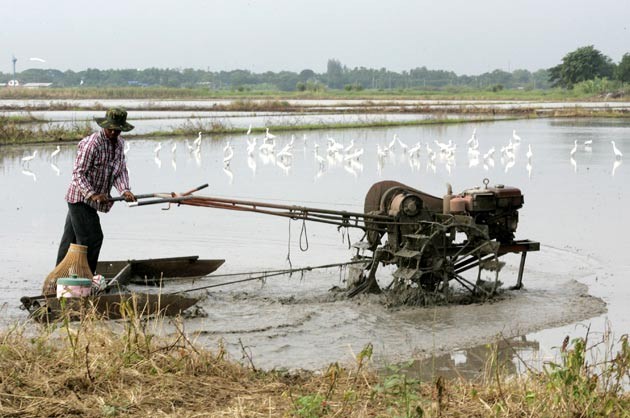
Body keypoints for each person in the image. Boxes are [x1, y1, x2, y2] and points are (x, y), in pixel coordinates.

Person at [55, 107, 137, 274]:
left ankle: (59, 278)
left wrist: (124, 190)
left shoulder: (119, 144)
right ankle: (85, 278)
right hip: (80, 198)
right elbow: (78, 174)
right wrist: (92, 194)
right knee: (92, 239)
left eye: (117, 129)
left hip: (94, 199)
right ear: (104, 125)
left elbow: (120, 171)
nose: (113, 132)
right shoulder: (92, 144)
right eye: (110, 128)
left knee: (70, 240)